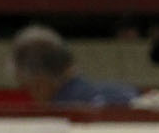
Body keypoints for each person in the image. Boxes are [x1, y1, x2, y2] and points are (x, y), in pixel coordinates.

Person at [8, 24, 137, 108]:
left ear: (39, 83)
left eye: (28, 88)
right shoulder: (126, 92)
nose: (33, 97)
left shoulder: (60, 114)